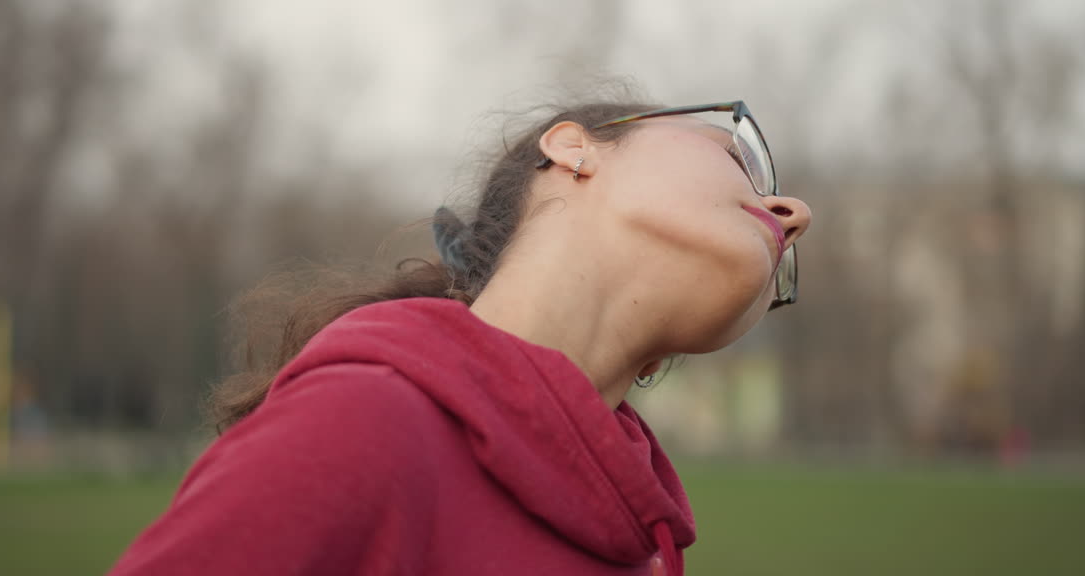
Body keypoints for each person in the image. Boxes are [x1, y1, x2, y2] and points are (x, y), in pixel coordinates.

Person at [107, 84, 812, 576]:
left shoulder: (644, 543)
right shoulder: (362, 426)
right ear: (574, 150)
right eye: (736, 157)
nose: (795, 213)